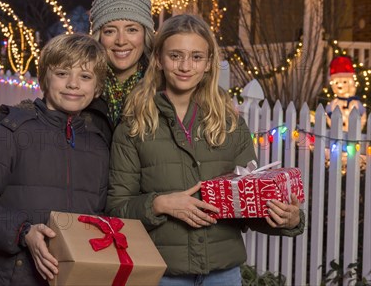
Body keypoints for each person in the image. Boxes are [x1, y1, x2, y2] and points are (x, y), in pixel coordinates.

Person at [106, 14, 305, 285]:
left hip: (223, 275)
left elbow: (248, 205)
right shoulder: (135, 124)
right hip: (162, 275)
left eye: (196, 57)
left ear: (209, 63)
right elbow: (117, 208)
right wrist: (159, 204)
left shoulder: (230, 122)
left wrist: (288, 219)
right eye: (175, 55)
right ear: (159, 60)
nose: (186, 66)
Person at [0, 34, 110, 286]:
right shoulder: (11, 133)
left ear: (98, 87)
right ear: (44, 78)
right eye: (62, 73)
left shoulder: (98, 144)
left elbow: (99, 214)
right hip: (19, 277)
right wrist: (23, 232)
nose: (73, 84)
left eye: (85, 76)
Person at [89, 0, 155, 132]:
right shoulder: (80, 85)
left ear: (145, 35)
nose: (121, 41)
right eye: (110, 31)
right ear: (98, 38)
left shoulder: (163, 86)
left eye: (131, 30)